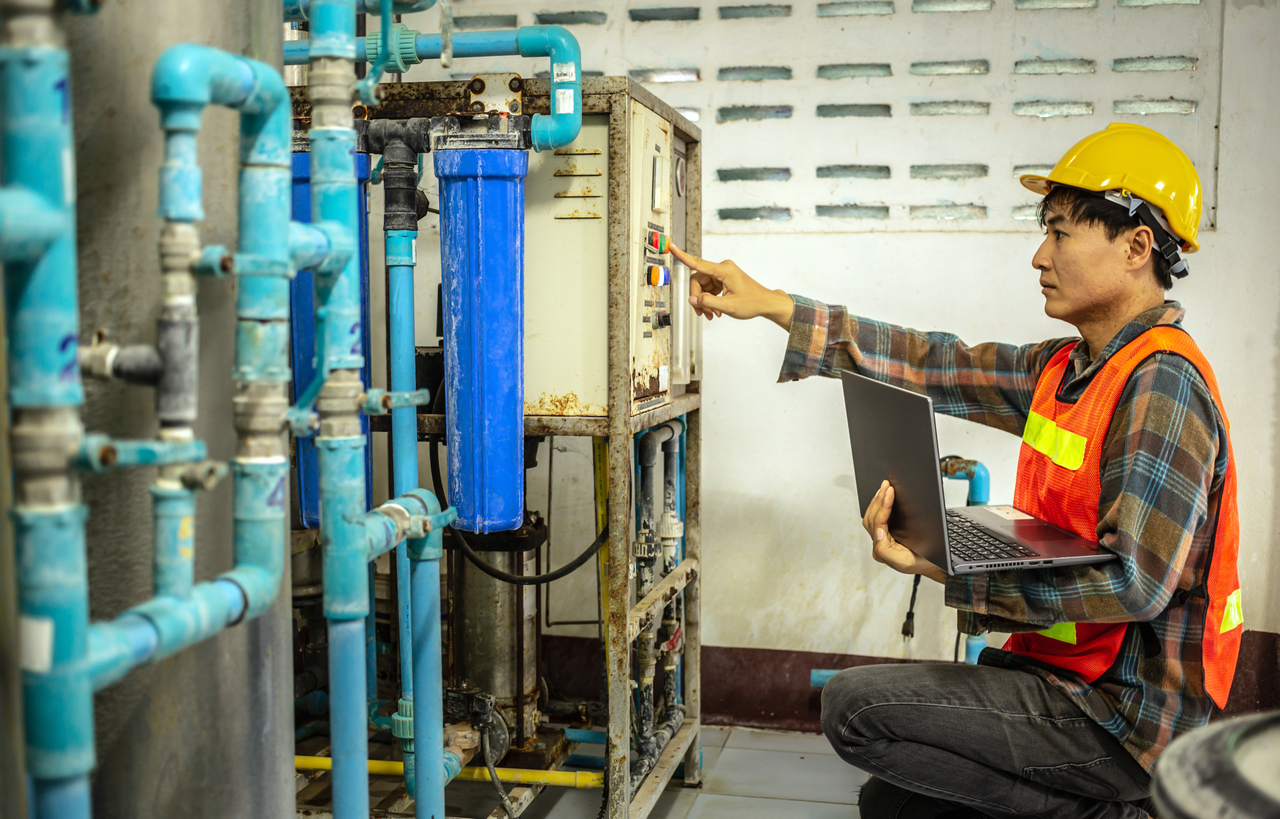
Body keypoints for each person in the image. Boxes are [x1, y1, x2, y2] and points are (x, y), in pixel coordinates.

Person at [669, 123, 1242, 819]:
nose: (1040, 255)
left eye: (1060, 233)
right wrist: (773, 304)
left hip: (1125, 721)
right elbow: (934, 365)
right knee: (894, 806)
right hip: (1067, 677)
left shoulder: (1163, 384)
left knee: (854, 709)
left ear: (1136, 246)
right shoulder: (1067, 368)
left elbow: (1134, 583)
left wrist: (950, 568)